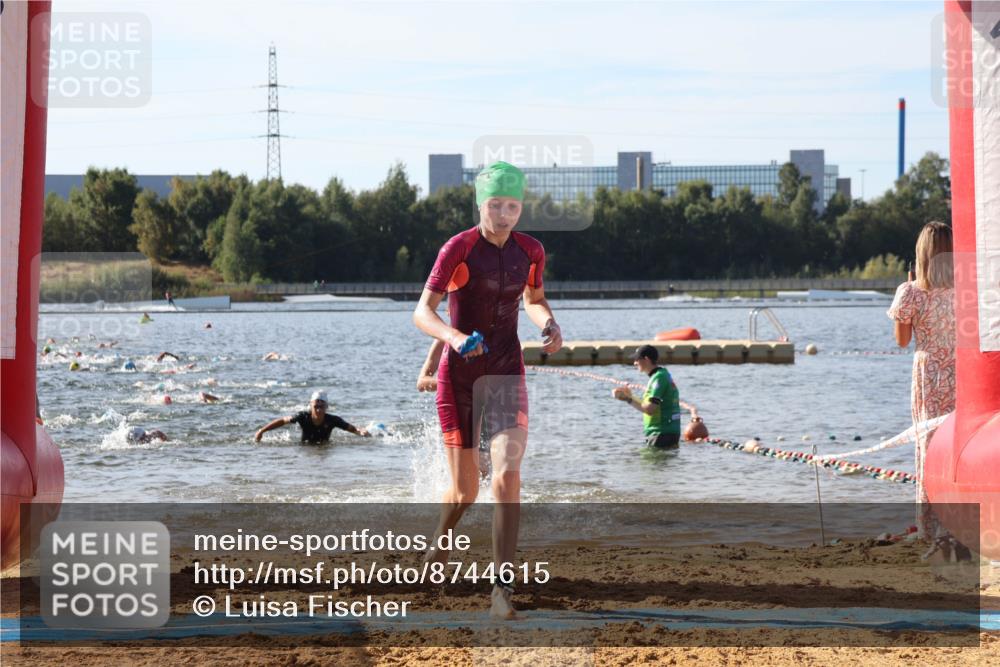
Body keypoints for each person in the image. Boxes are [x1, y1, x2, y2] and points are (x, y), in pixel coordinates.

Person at [412, 161, 562, 620]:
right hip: (458, 377)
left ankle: (501, 591)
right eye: (495, 205)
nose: (503, 214)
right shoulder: (459, 248)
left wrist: (550, 323)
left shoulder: (530, 250)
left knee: (506, 477)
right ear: (481, 204)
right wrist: (454, 338)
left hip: (505, 372)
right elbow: (422, 312)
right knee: (465, 493)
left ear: (521, 207)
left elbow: (533, 300)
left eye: (512, 205)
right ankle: (440, 543)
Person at [888, 221, 955, 540]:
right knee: (959, 444)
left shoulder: (912, 292)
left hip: (929, 374)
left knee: (929, 448)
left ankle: (930, 525)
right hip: (962, 373)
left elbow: (902, 340)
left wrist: (905, 295)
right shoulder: (967, 289)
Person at [612, 345, 682, 450]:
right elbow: (649, 406)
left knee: (651, 466)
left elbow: (649, 409)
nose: (634, 363)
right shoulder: (661, 375)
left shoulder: (659, 378)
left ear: (646, 359)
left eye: (637, 359)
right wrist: (631, 396)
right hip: (666, 433)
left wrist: (628, 399)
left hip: (661, 434)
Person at [254, 391, 370, 444]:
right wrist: (262, 431)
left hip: (324, 446)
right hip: (304, 446)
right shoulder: (303, 416)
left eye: (321, 406)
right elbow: (282, 421)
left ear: (326, 407)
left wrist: (362, 432)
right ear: (311, 406)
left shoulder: (333, 420)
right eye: (316, 406)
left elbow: (353, 429)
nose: (318, 410)